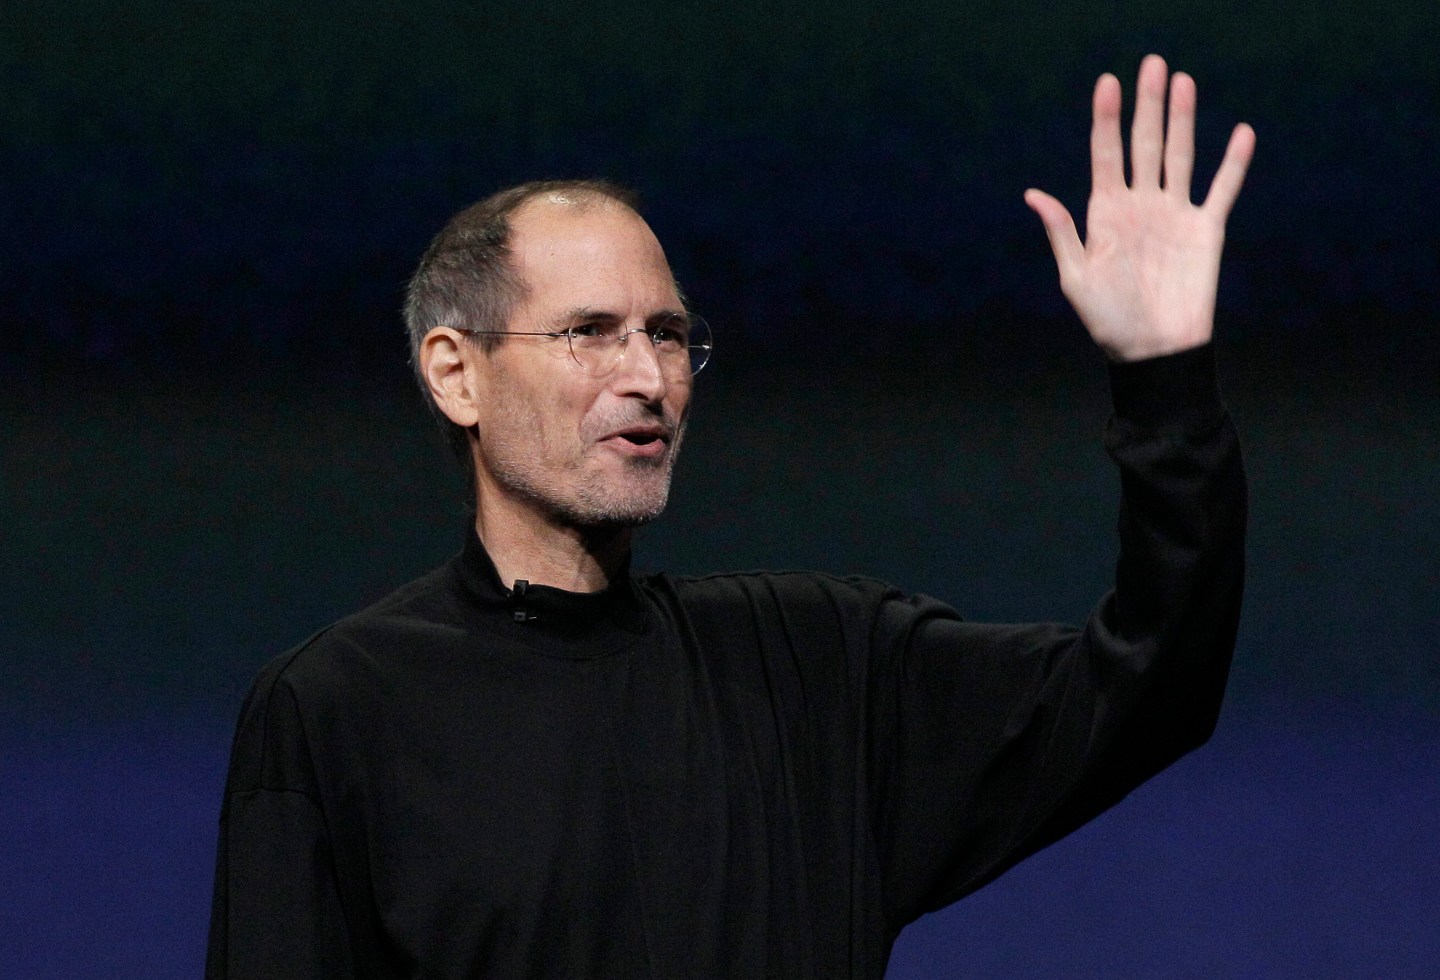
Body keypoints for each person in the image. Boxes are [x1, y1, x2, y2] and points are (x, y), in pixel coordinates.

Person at [207, 55, 1255, 978]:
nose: (647, 376)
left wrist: (1163, 380)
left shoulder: (817, 671)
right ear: (456, 374)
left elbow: (1153, 682)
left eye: (668, 334)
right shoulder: (338, 709)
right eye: (589, 331)